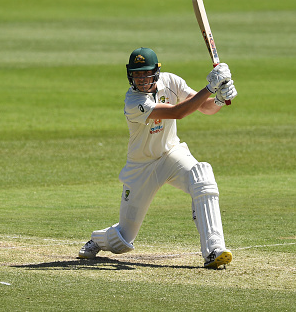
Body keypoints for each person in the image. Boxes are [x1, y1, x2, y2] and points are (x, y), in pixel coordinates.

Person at [79, 47, 237, 268]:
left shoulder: (172, 82)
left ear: (156, 71)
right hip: (141, 167)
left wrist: (219, 99)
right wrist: (211, 87)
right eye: (137, 74)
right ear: (130, 75)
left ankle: (214, 250)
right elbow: (177, 112)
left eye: (146, 73)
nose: (142, 78)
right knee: (124, 239)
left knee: (203, 175)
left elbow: (206, 108)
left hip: (171, 154)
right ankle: (98, 240)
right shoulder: (133, 101)